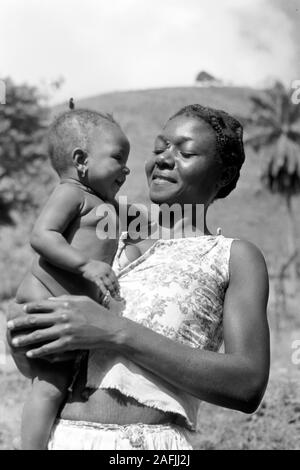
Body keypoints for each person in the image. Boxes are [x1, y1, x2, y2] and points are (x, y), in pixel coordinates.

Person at [7, 104, 270, 450]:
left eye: (185, 152)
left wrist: (116, 331)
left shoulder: (231, 256)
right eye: (159, 148)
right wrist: (26, 332)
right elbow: (46, 300)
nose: (163, 158)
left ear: (222, 176)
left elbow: (247, 384)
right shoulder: (104, 233)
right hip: (61, 439)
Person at [14, 108, 131, 449]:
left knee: (64, 381)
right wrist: (86, 266)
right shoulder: (72, 193)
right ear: (81, 160)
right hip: (44, 298)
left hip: (60, 307)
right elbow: (42, 235)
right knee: (50, 384)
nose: (126, 168)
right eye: (118, 158)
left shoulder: (101, 202)